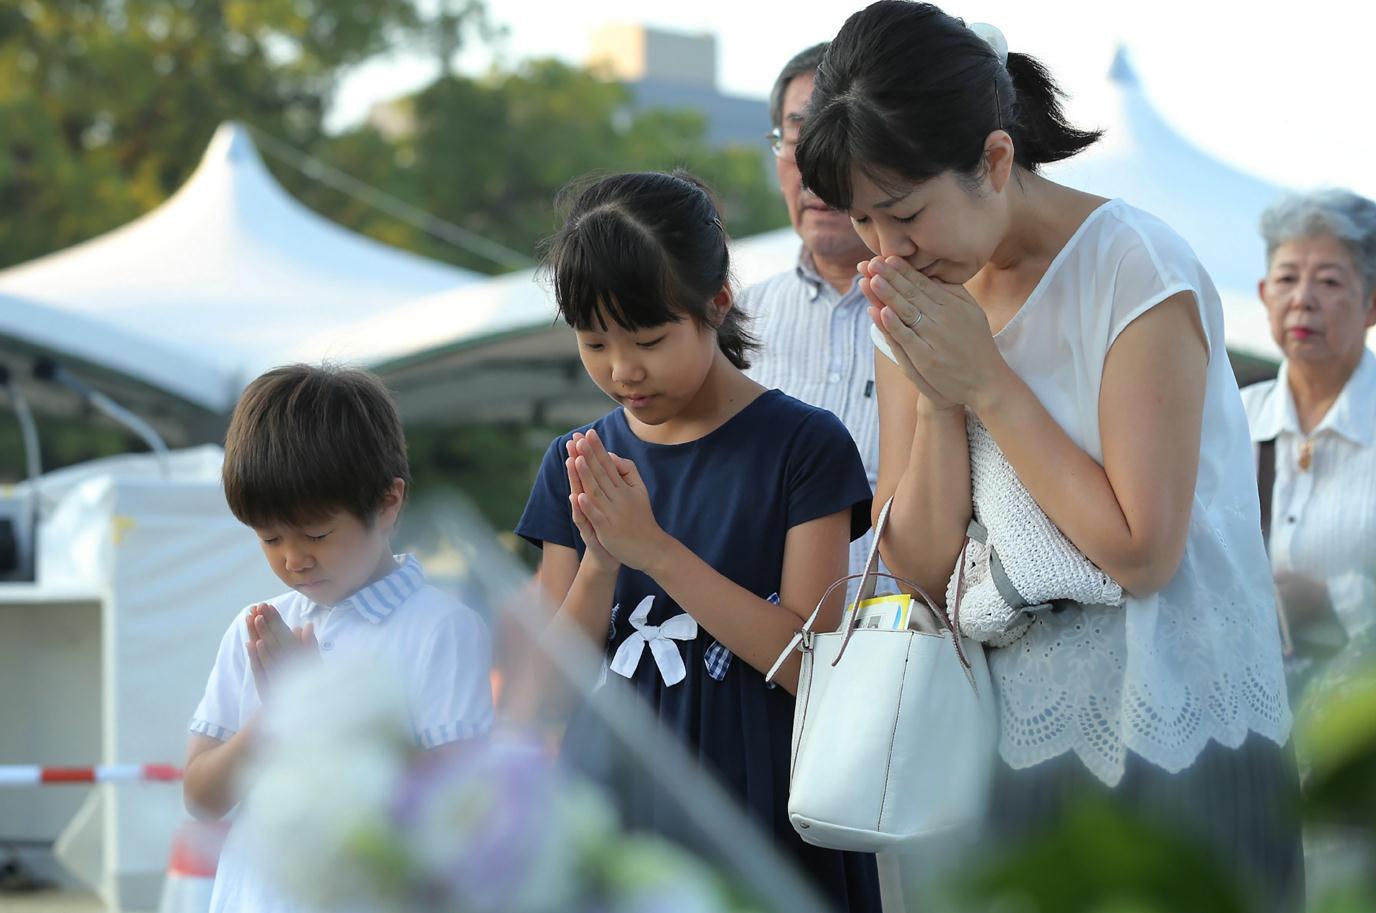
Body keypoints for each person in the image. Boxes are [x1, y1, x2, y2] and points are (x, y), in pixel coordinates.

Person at [795, 2, 1300, 907]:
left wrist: (986, 379)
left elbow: (1143, 551)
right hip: (1000, 747)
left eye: (905, 212)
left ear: (994, 160)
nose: (887, 249)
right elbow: (915, 560)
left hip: (1174, 730)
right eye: (866, 222)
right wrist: (941, 386)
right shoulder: (914, 293)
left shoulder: (1133, 266)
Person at [516, 170, 881, 911]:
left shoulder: (803, 446)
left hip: (763, 813)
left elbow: (812, 667)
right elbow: (541, 698)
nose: (622, 369)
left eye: (649, 338)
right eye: (594, 342)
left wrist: (654, 550)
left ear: (717, 303)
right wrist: (604, 560)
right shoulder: (576, 462)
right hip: (617, 819)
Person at [183, 364, 494, 913]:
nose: (293, 558)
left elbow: (453, 816)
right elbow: (202, 797)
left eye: (317, 534)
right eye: (269, 537)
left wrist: (317, 704)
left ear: (388, 503)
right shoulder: (257, 628)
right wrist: (273, 717)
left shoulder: (441, 630)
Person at [740, 43, 880, 590]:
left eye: (836, 142)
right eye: (797, 142)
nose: (815, 170)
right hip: (754, 652)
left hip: (913, 652)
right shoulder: (735, 323)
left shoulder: (953, 316)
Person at [1242, 189, 1376, 674]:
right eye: (1287, 278)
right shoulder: (1230, 420)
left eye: (1329, 281)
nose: (1302, 300)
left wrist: (1334, 603)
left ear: (1371, 304)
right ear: (1264, 295)